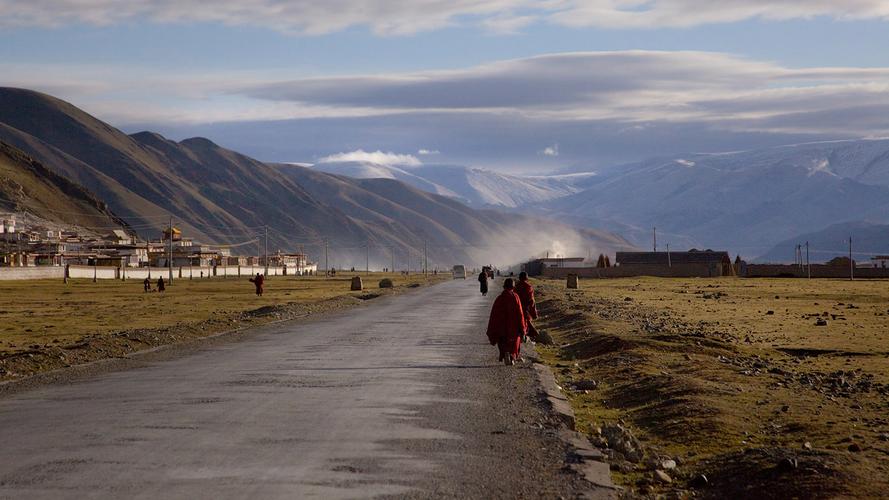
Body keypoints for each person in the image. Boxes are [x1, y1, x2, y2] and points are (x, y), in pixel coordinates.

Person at [485, 278, 526, 366]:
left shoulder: (499, 298)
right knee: (515, 342)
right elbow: (520, 313)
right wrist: (523, 328)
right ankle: (512, 356)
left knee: (502, 341)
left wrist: (493, 327)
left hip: (501, 327)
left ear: (504, 286)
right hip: (513, 327)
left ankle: (505, 353)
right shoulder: (516, 297)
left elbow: (494, 314)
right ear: (513, 287)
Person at [514, 272, 539, 341]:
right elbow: (531, 301)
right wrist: (534, 314)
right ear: (527, 278)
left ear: (519, 278)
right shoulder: (528, 287)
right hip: (525, 310)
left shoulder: (516, 287)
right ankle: (526, 336)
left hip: (517, 310)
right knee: (526, 324)